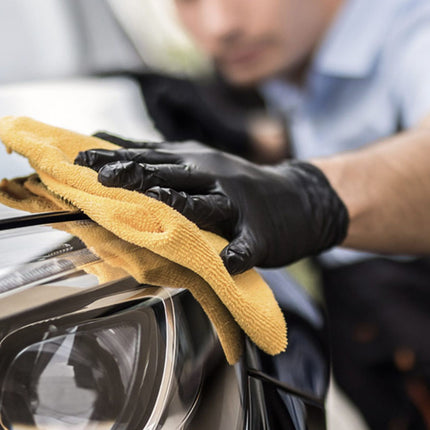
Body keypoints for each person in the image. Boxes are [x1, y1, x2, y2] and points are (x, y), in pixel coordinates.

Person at [74, 0, 430, 428]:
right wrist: (258, 146)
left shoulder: (414, 28)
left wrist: (310, 196)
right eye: (189, 1)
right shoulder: (295, 64)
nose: (220, 26)